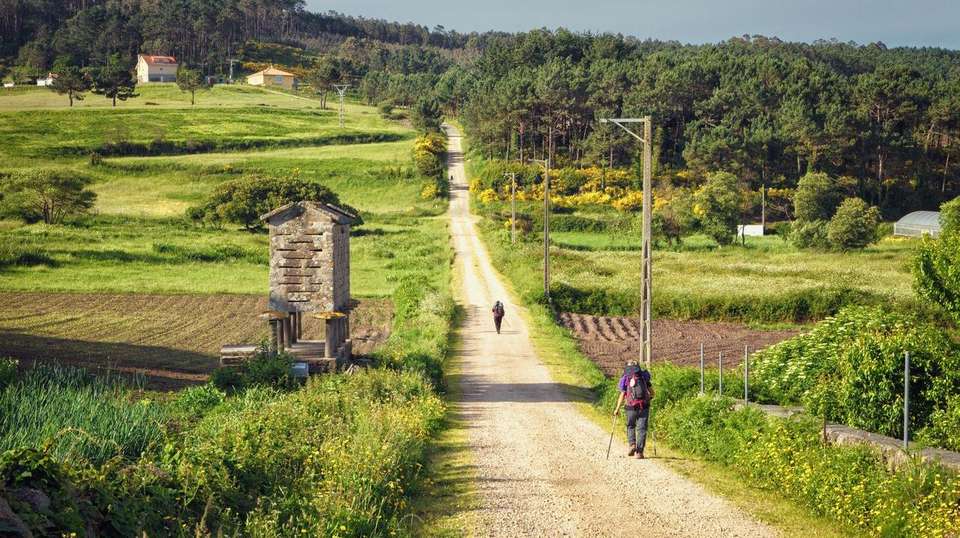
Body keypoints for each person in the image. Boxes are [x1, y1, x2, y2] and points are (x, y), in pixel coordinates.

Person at [613, 360, 655, 459]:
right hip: (644, 407)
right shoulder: (644, 376)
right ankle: (639, 453)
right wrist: (648, 399)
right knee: (642, 429)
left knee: (631, 426)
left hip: (630, 407)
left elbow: (622, 394)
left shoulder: (625, 377)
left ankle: (632, 445)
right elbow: (652, 393)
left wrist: (617, 409)